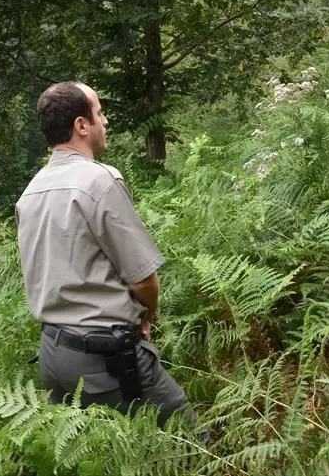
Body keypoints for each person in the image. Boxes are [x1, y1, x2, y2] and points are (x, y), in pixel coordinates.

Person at [15, 81, 204, 438]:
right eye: (99, 114)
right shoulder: (99, 181)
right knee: (193, 445)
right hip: (105, 357)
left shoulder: (32, 191)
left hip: (53, 355)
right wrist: (148, 315)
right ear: (81, 125)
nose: (106, 122)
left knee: (102, 454)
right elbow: (142, 279)